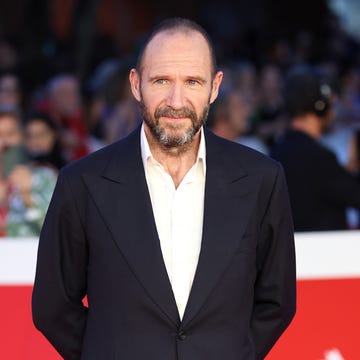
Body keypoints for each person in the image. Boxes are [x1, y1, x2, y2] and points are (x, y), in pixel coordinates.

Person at [32, 18, 296, 360]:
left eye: (192, 82)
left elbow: (278, 301)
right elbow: (52, 307)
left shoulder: (262, 179)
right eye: (161, 80)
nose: (176, 100)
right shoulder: (82, 183)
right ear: (136, 84)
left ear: (215, 87)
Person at [271, 67, 360, 231]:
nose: (334, 109)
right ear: (320, 105)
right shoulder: (319, 158)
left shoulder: (275, 152)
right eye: (331, 102)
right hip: (323, 253)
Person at [0, 109, 57, 237]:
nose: (3, 142)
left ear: (22, 138)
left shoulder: (44, 176)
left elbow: (56, 227)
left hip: (25, 255)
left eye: (9, 134)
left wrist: (27, 196)